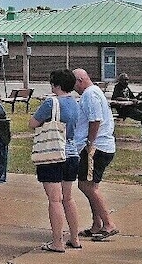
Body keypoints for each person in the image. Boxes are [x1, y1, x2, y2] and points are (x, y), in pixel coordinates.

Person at [29, 69, 83, 253]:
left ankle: (57, 242)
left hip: (53, 154)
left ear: (56, 85)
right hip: (72, 152)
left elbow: (33, 123)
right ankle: (74, 238)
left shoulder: (51, 102)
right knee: (68, 198)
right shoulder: (75, 103)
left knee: (54, 200)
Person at [71, 68, 118, 241]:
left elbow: (95, 120)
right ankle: (97, 224)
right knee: (91, 185)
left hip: (96, 148)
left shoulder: (90, 94)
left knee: (86, 186)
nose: (73, 87)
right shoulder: (95, 91)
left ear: (81, 80)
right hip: (100, 146)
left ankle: (108, 223)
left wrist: (90, 143)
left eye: (74, 83)